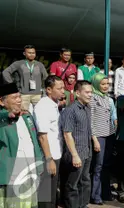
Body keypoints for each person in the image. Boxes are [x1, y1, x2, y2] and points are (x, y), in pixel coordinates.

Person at [0, 83, 44, 208]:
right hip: (11, 172)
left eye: (20, 96)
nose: (19, 100)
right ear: (2, 102)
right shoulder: (3, 118)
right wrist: (7, 115)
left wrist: (39, 163)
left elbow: (35, 141)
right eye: (14, 98)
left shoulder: (26, 115)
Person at [60, 81, 94, 208]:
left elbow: (88, 130)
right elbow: (67, 134)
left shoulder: (87, 108)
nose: (90, 95)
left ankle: (83, 204)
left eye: (91, 92)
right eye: (87, 92)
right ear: (78, 93)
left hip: (87, 151)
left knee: (85, 181)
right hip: (76, 153)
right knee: (72, 185)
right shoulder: (70, 110)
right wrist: (74, 155)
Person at [33, 75, 65, 208]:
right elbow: (42, 135)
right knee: (46, 197)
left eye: (63, 87)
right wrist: (49, 159)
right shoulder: (43, 106)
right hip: (49, 156)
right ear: (48, 90)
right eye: (59, 88)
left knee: (53, 195)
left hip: (57, 154)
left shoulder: (54, 104)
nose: (63, 91)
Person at [89, 73, 117, 205]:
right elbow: (91, 121)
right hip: (98, 136)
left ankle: (105, 193)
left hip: (109, 135)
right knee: (98, 167)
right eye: (103, 84)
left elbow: (112, 117)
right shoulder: (92, 99)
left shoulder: (107, 98)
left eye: (107, 84)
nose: (106, 86)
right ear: (96, 84)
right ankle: (95, 195)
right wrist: (94, 140)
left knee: (106, 166)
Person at [2, 44, 48, 111]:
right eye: (29, 53)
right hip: (23, 94)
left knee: (40, 113)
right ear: (24, 53)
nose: (32, 54)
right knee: (23, 114)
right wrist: (12, 86)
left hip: (37, 94)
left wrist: (45, 90)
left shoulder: (39, 64)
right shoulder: (19, 63)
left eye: (33, 53)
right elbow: (5, 72)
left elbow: (46, 77)